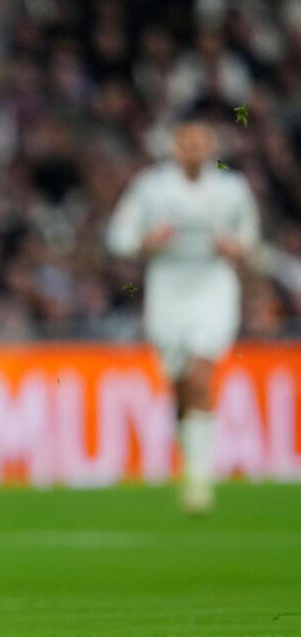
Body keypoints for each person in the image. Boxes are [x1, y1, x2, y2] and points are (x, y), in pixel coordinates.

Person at [107, 118, 260, 514]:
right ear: (175, 148)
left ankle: (199, 480)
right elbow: (118, 237)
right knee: (179, 385)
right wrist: (145, 241)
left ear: (211, 148)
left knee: (200, 373)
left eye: (200, 144)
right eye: (186, 144)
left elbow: (250, 238)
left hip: (213, 286)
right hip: (167, 291)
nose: (193, 151)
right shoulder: (151, 186)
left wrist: (236, 248)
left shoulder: (232, 188)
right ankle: (190, 448)